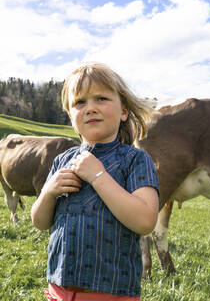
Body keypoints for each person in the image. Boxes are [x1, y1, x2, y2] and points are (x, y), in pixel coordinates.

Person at [31, 62, 159, 300]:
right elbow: (40, 222)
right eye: (80, 102)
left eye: (101, 99)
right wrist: (48, 193)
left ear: (123, 111)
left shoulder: (135, 160)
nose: (90, 108)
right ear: (71, 116)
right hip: (59, 290)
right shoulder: (61, 161)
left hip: (111, 292)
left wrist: (98, 176)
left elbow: (145, 221)